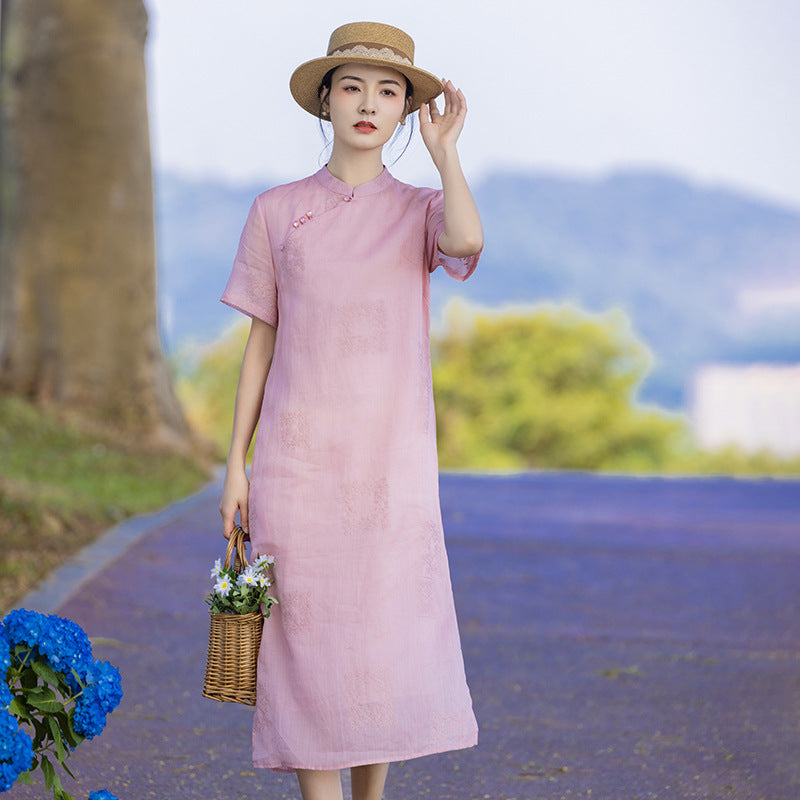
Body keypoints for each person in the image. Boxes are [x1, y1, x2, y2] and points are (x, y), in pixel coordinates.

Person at [218, 21, 483, 800]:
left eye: (390, 90)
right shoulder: (277, 212)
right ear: (326, 100)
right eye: (354, 86)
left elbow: (468, 237)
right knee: (305, 640)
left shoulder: (422, 210)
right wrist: (236, 461)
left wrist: (447, 155)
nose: (370, 103)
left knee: (379, 640)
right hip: (297, 464)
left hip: (392, 469)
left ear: (405, 110)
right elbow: (261, 344)